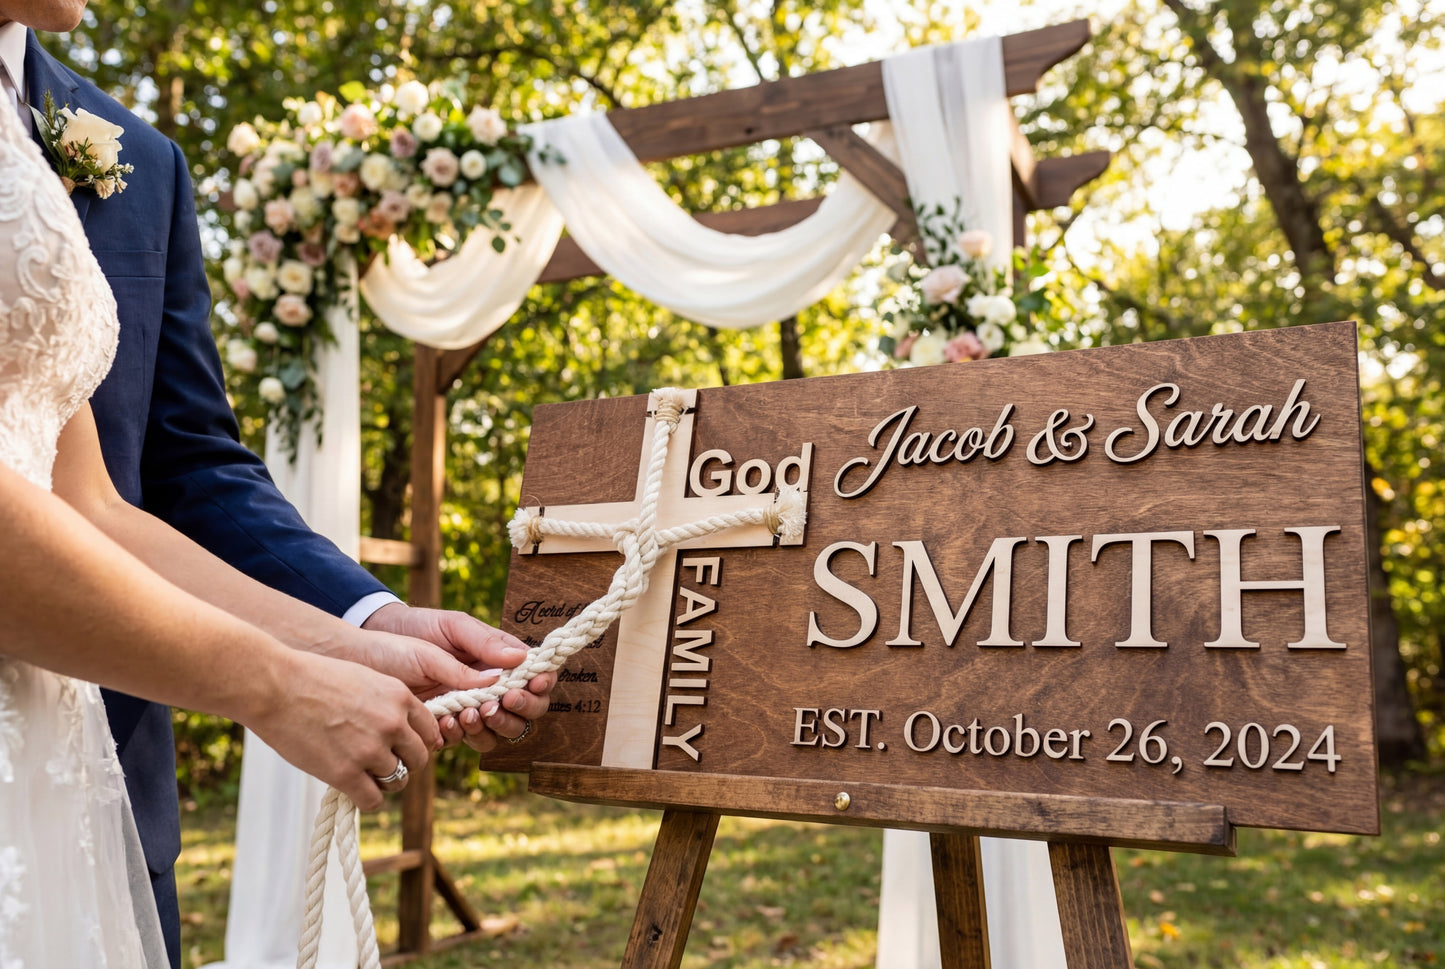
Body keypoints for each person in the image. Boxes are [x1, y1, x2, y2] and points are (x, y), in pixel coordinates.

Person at [1, 3, 555, 965]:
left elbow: (96, 503)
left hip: (72, 798)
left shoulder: (122, 152)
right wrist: (275, 685)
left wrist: (361, 640)